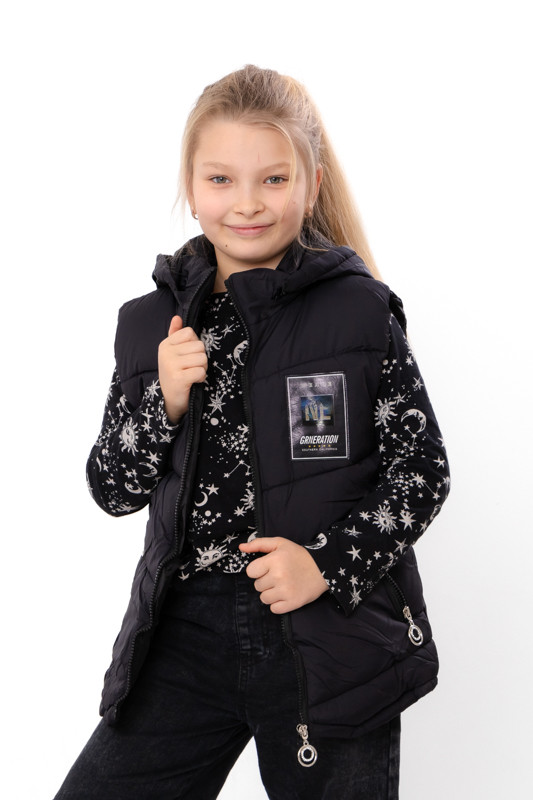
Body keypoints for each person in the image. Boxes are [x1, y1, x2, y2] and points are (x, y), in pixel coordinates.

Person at [54, 65, 450, 799]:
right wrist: (163, 402)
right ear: (191, 186)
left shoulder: (357, 312)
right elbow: (111, 489)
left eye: (273, 179)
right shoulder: (148, 324)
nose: (246, 203)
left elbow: (421, 472)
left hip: (325, 635)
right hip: (183, 634)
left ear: (311, 185)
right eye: (220, 179)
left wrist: (324, 565)